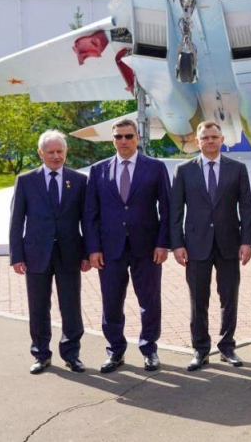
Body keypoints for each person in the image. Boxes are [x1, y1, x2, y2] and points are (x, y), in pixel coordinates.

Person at [85, 118, 170, 373]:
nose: (123, 141)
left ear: (137, 138)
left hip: (147, 248)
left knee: (149, 301)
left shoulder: (155, 168)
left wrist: (162, 243)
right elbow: (90, 213)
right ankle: (115, 351)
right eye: (118, 136)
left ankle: (149, 349)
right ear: (112, 139)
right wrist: (93, 248)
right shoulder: (98, 170)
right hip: (110, 249)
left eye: (128, 136)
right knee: (111, 302)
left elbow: (167, 209)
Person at [170, 121, 251, 371]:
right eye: (205, 137)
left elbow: (246, 207)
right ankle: (200, 349)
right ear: (197, 141)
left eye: (214, 137)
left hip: (229, 243)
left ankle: (227, 346)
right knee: (198, 299)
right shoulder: (184, 170)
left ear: (222, 140)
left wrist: (247, 241)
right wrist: (177, 244)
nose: (210, 141)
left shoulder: (237, 169)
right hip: (196, 245)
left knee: (229, 298)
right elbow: (176, 210)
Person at [9, 130, 90, 374]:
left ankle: (71, 354)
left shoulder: (79, 181)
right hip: (36, 253)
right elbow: (16, 220)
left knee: (71, 306)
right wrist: (16, 255)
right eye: (51, 152)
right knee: (38, 307)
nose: (56, 156)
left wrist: (87, 253)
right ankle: (41, 354)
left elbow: (87, 220)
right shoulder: (26, 181)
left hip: (69, 253)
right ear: (40, 153)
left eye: (60, 151)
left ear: (66, 151)